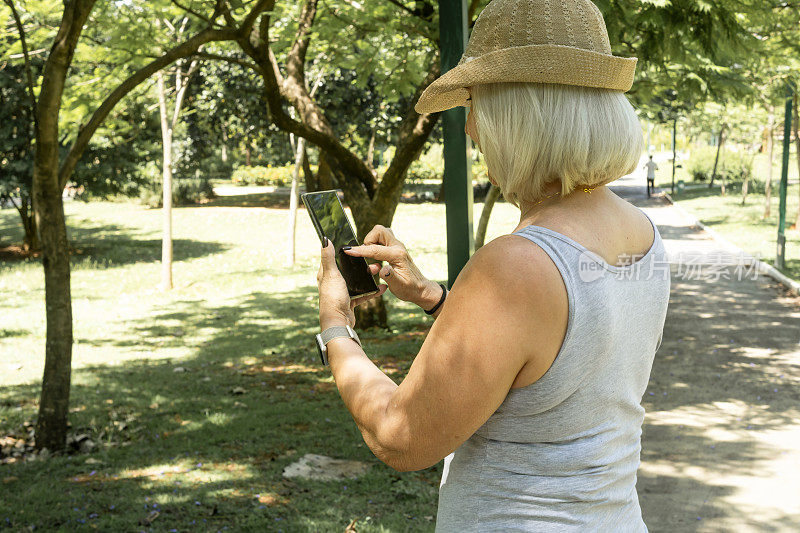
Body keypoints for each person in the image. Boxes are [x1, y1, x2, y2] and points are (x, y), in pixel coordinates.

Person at [315, 0, 670, 530]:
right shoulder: (642, 232)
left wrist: (335, 328)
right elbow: (559, 356)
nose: (471, 129)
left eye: (477, 104)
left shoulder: (515, 265)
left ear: (521, 116)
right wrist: (437, 298)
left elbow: (399, 436)